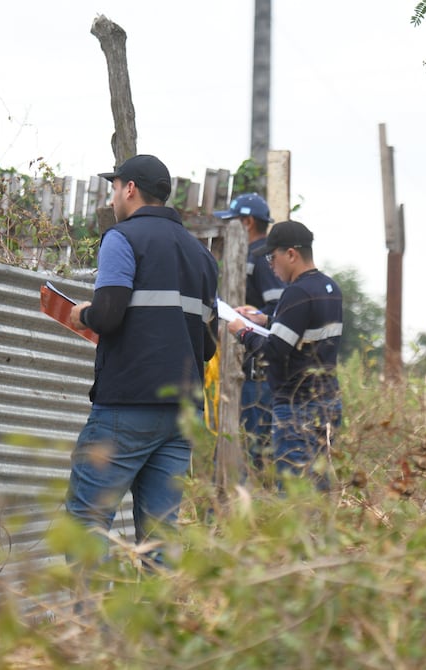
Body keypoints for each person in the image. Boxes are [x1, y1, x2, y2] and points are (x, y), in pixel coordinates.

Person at [66, 154, 219, 563]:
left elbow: (109, 315)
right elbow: (208, 346)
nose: (113, 196)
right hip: (182, 415)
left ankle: (89, 627)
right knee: (159, 535)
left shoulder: (122, 239)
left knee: (86, 522)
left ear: (129, 188)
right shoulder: (202, 257)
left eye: (114, 187)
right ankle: (157, 626)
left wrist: (82, 315)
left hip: (126, 407)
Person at [225, 220, 343, 487]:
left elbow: (275, 351)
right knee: (319, 489)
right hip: (327, 402)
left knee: (293, 493)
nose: (270, 264)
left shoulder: (297, 293)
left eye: (272, 256)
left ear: (291, 254)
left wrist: (242, 331)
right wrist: (265, 319)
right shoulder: (329, 288)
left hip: (297, 406)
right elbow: (302, 330)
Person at [213, 193, 285, 469]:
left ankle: (254, 506)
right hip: (248, 369)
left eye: (233, 222)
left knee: (255, 451)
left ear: (248, 222)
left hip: (259, 373)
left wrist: (255, 318)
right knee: (245, 447)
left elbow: (278, 308)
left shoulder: (262, 257)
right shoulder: (252, 255)